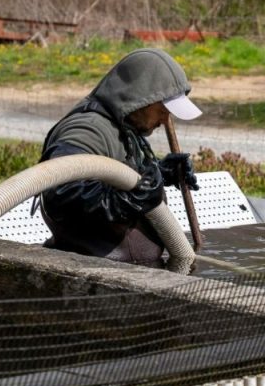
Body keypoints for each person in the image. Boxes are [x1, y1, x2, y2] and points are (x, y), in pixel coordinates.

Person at [37, 48, 202, 264]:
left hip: (131, 271)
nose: (165, 120)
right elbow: (61, 193)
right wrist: (127, 201)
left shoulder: (124, 127)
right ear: (139, 99)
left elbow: (115, 177)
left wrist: (161, 174)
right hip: (92, 275)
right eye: (163, 111)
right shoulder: (88, 130)